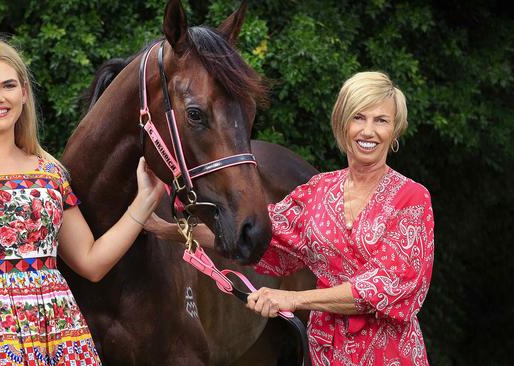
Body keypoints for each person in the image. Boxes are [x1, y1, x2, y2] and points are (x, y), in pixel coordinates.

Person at [147, 71, 434, 365]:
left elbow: (385, 287)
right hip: (326, 353)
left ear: (395, 130)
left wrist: (295, 299)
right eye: (358, 117)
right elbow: (264, 237)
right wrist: (167, 229)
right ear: (343, 123)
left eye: (381, 120)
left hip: (390, 356)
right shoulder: (319, 191)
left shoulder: (411, 198)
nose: (368, 131)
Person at [0, 37, 164, 366]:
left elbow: (91, 262)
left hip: (58, 336)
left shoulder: (51, 173)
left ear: (24, 94)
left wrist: (144, 202)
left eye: (8, 85)